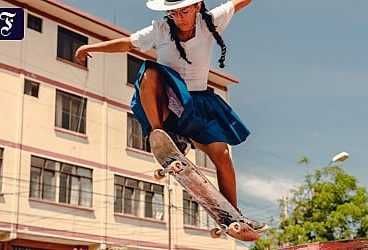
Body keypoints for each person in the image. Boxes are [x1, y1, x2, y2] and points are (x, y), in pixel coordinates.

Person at [75, 0, 267, 232]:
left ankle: (235, 216)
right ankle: (163, 136)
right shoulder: (161, 29)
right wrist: (90, 48)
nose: (180, 19)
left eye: (185, 12)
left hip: (197, 107)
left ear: (197, 7)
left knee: (223, 155)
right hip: (168, 105)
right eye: (174, 13)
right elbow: (128, 44)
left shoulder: (211, 21)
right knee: (150, 72)